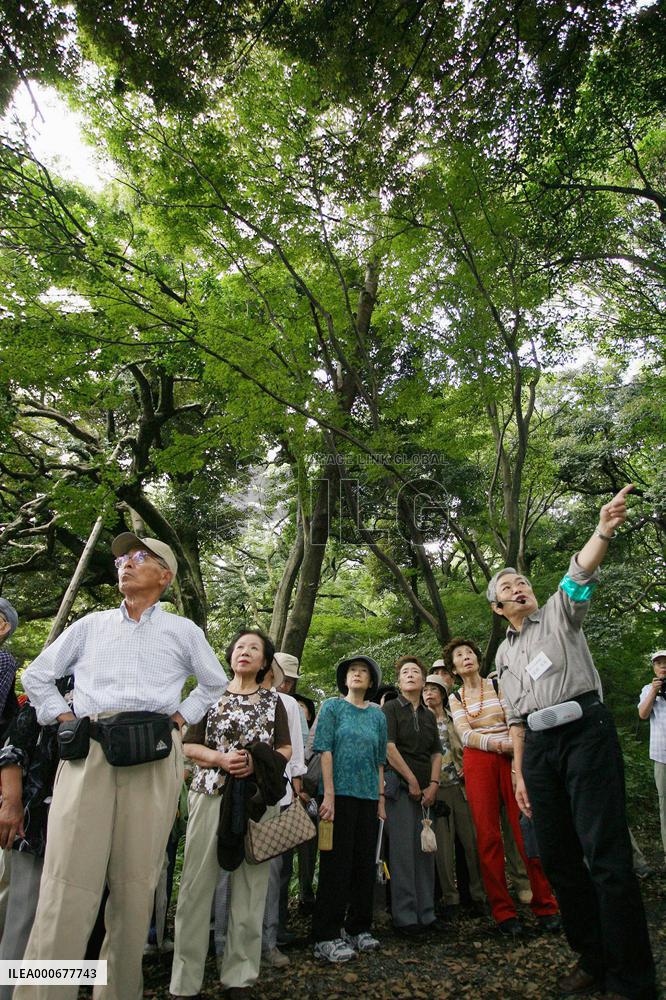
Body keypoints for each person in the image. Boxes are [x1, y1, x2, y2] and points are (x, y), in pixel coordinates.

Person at [14, 533, 227, 1000]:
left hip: (152, 759)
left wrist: (179, 719)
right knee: (65, 883)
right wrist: (66, 717)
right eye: (121, 559)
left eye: (139, 558)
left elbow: (215, 682)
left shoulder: (183, 631)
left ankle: (117, 993)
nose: (125, 565)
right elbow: (36, 675)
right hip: (89, 754)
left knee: (134, 888)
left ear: (164, 576)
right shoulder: (91, 625)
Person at [491, 485, 656, 1000]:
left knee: (604, 855)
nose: (519, 588)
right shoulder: (502, 657)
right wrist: (519, 771)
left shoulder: (562, 612)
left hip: (585, 733)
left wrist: (602, 528)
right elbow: (515, 719)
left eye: (522, 582)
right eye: (509, 587)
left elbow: (580, 572)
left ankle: (632, 979)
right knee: (559, 860)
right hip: (538, 750)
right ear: (499, 608)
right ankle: (593, 956)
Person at [169, 628, 292, 1000]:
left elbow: (285, 749)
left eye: (254, 648)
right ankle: (184, 980)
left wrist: (257, 762)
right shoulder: (210, 696)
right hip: (210, 793)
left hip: (257, 799)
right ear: (230, 655)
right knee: (195, 885)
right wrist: (221, 758)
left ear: (264, 661)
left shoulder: (275, 702)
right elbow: (190, 746)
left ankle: (239, 975)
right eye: (240, 646)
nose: (245, 652)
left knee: (252, 885)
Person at [446, 639, 559, 936]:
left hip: (512, 758)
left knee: (525, 829)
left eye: (469, 653)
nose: (466, 657)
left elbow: (515, 720)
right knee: (488, 836)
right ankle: (503, 911)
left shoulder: (498, 685)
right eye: (459, 655)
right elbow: (466, 735)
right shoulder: (455, 697)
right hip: (479, 762)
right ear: (453, 667)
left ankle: (545, 904)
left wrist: (514, 754)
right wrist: (500, 745)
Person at [0, 677, 73, 999]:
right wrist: (11, 805)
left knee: (66, 918)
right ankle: (9, 990)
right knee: (24, 914)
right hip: (36, 820)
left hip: (83, 824)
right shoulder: (46, 689)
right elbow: (12, 751)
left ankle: (52, 988)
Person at [312, 655, 387, 962]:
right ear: (345, 679)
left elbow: (380, 759)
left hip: (368, 796)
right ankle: (325, 935)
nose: (357, 674)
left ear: (371, 683)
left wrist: (381, 800)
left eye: (364, 672)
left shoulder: (377, 715)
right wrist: (328, 795)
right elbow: (325, 749)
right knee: (335, 864)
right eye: (353, 671)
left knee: (363, 863)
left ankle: (358, 928)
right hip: (337, 795)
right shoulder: (332, 707)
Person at [382, 656, 442, 937]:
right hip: (401, 789)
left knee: (425, 850)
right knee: (403, 852)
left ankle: (427, 913)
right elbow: (389, 747)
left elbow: (436, 753)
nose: (410, 675)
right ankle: (405, 917)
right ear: (399, 680)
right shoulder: (392, 708)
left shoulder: (429, 715)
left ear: (423, 679)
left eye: (415, 672)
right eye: (404, 671)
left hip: (426, 792)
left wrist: (433, 784)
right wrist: (412, 780)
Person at [422, 674, 486, 918]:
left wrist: (467, 766)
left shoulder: (455, 717)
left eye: (433, 689)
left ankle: (478, 895)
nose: (428, 693)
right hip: (436, 789)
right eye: (425, 690)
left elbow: (470, 743)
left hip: (461, 787)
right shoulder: (421, 721)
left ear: (442, 692)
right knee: (443, 847)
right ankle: (450, 898)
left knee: (471, 842)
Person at [638, 650, 666, 869]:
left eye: (665, 663)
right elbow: (643, 714)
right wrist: (654, 692)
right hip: (661, 755)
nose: (663, 666)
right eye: (658, 663)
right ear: (653, 668)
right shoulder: (648, 690)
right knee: (664, 806)